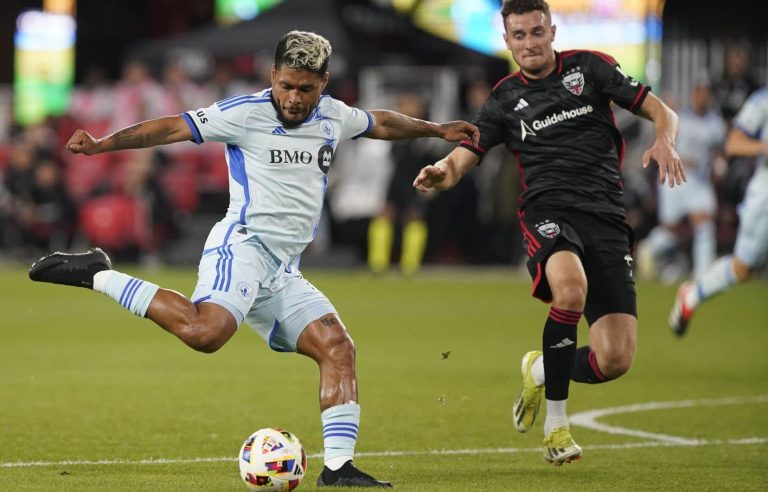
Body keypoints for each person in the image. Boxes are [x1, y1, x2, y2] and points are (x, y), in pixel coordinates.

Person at [29, 30, 479, 488]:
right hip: (242, 246)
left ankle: (339, 470)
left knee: (338, 349)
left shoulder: (333, 115)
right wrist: (104, 144)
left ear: (323, 82)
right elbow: (169, 127)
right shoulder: (244, 113)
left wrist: (438, 130)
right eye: (286, 85)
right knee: (205, 333)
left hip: (284, 268)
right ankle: (99, 274)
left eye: (306, 88)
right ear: (273, 76)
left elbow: (380, 123)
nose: (294, 97)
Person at [413, 0, 684, 465]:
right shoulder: (503, 100)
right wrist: (442, 170)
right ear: (507, 41)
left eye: (536, 32)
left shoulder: (590, 69)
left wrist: (664, 139)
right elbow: (465, 155)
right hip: (547, 212)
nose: (529, 43)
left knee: (614, 359)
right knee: (570, 290)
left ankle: (540, 367)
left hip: (605, 218)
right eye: (519, 36)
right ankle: (557, 428)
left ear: (552, 31)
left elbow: (662, 111)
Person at [669, 86, 768, 337]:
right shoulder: (762, 100)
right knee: (743, 268)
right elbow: (734, 143)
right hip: (763, 196)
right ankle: (692, 294)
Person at [637, 80, 726, 281]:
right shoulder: (679, 118)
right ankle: (649, 249)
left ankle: (703, 275)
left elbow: (719, 151)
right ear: (694, 94)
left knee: (704, 224)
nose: (702, 96)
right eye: (699, 91)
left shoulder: (715, 123)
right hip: (675, 178)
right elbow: (665, 141)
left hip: (700, 182)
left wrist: (719, 166)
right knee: (673, 230)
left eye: (706, 92)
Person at [368, 93, 446, 275]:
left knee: (414, 217)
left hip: (417, 179)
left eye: (411, 104)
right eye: (403, 105)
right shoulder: (394, 128)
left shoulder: (429, 131)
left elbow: (433, 157)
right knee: (385, 214)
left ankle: (410, 266)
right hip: (395, 179)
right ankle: (377, 264)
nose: (407, 108)